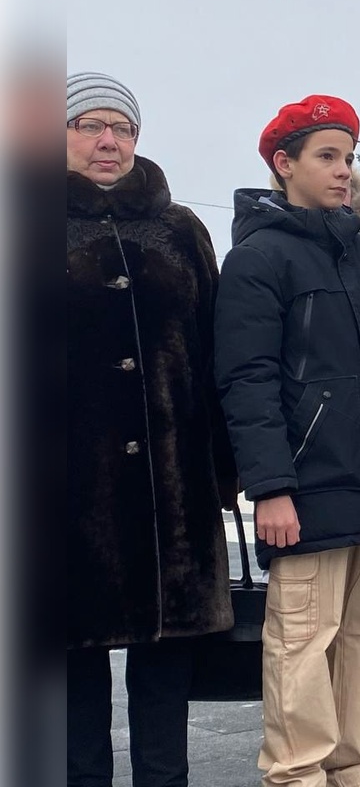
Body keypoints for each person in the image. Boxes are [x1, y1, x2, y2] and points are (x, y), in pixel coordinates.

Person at [214, 95, 360, 787]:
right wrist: (269, 488)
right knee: (302, 640)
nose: (344, 171)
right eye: (327, 157)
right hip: (305, 485)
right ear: (284, 164)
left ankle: (354, 758)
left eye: (349, 156)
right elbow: (246, 381)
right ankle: (299, 770)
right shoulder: (257, 260)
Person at [66, 71, 237, 786]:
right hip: (66, 497)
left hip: (175, 494)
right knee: (67, 679)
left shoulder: (180, 229)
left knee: (167, 673)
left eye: (123, 128)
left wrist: (227, 473)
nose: (109, 142)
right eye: (90, 125)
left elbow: (217, 351)